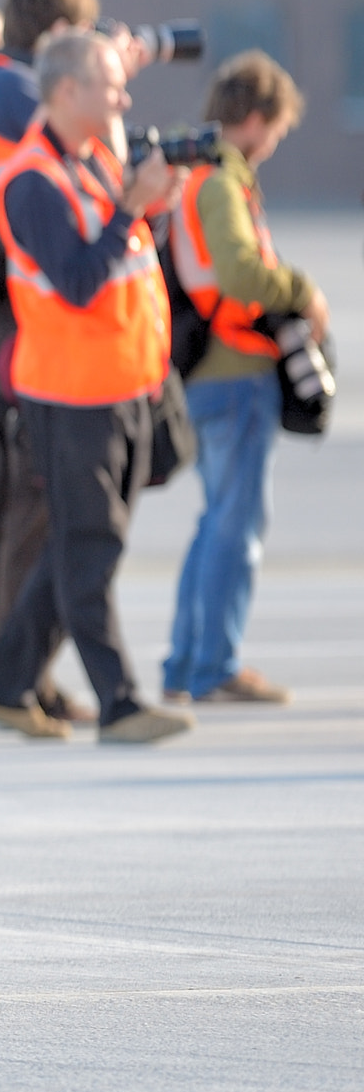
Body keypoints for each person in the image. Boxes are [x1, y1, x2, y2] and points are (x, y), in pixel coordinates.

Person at [0, 29, 193, 745]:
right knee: (89, 546)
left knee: (85, 543)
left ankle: (4, 685)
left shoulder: (93, 159)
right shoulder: (33, 180)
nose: (123, 96)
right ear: (66, 92)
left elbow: (120, 257)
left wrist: (147, 206)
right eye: (109, 83)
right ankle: (120, 701)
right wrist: (134, 208)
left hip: (122, 382)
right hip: (72, 394)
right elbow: (77, 281)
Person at [161, 51, 330, 705]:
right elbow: (236, 273)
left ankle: (186, 662)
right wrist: (302, 291)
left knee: (216, 522)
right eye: (279, 128)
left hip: (207, 372)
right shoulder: (221, 180)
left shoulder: (190, 176)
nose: (277, 142)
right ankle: (214, 664)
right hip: (235, 372)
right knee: (236, 524)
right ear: (255, 119)